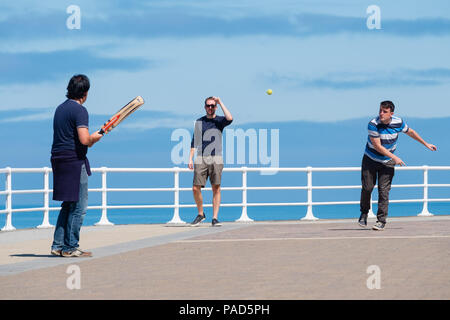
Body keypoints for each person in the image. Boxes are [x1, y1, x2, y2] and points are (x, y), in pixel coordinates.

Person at [358, 100, 437, 230]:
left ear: (391, 113)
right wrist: (395, 157)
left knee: (384, 191)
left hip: (387, 162)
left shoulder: (398, 122)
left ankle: (381, 221)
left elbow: (411, 132)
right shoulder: (373, 124)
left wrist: (426, 144)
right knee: (367, 188)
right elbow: (377, 146)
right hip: (370, 159)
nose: (381, 114)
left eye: (385, 111)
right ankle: (364, 212)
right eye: (380, 111)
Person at [50, 74, 103, 257]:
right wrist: (95, 138)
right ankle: (70, 247)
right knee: (79, 206)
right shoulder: (80, 111)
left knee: (67, 203)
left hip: (58, 158)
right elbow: (84, 139)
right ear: (85, 92)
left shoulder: (60, 109)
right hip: (74, 160)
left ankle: (58, 245)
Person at [188, 96, 233, 227]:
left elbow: (230, 118)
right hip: (201, 157)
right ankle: (201, 214)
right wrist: (190, 158)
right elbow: (194, 141)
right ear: (205, 107)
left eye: (213, 105)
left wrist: (221, 102)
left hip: (216, 158)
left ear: (216, 107)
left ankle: (215, 218)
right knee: (195, 188)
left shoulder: (219, 121)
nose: (210, 108)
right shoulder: (199, 121)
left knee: (216, 188)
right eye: (208, 105)